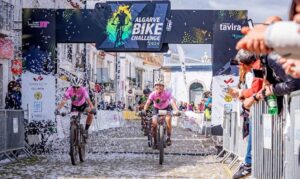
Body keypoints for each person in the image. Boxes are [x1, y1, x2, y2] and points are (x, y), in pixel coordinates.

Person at [143, 78, 179, 148]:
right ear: (154, 87)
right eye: (157, 86)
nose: (158, 87)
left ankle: (168, 137)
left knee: (168, 120)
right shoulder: (153, 94)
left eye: (160, 86)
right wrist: (144, 110)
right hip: (156, 109)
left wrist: (177, 110)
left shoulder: (167, 93)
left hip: (166, 108)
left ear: (163, 87)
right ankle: (155, 142)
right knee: (154, 124)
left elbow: (172, 102)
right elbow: (147, 103)